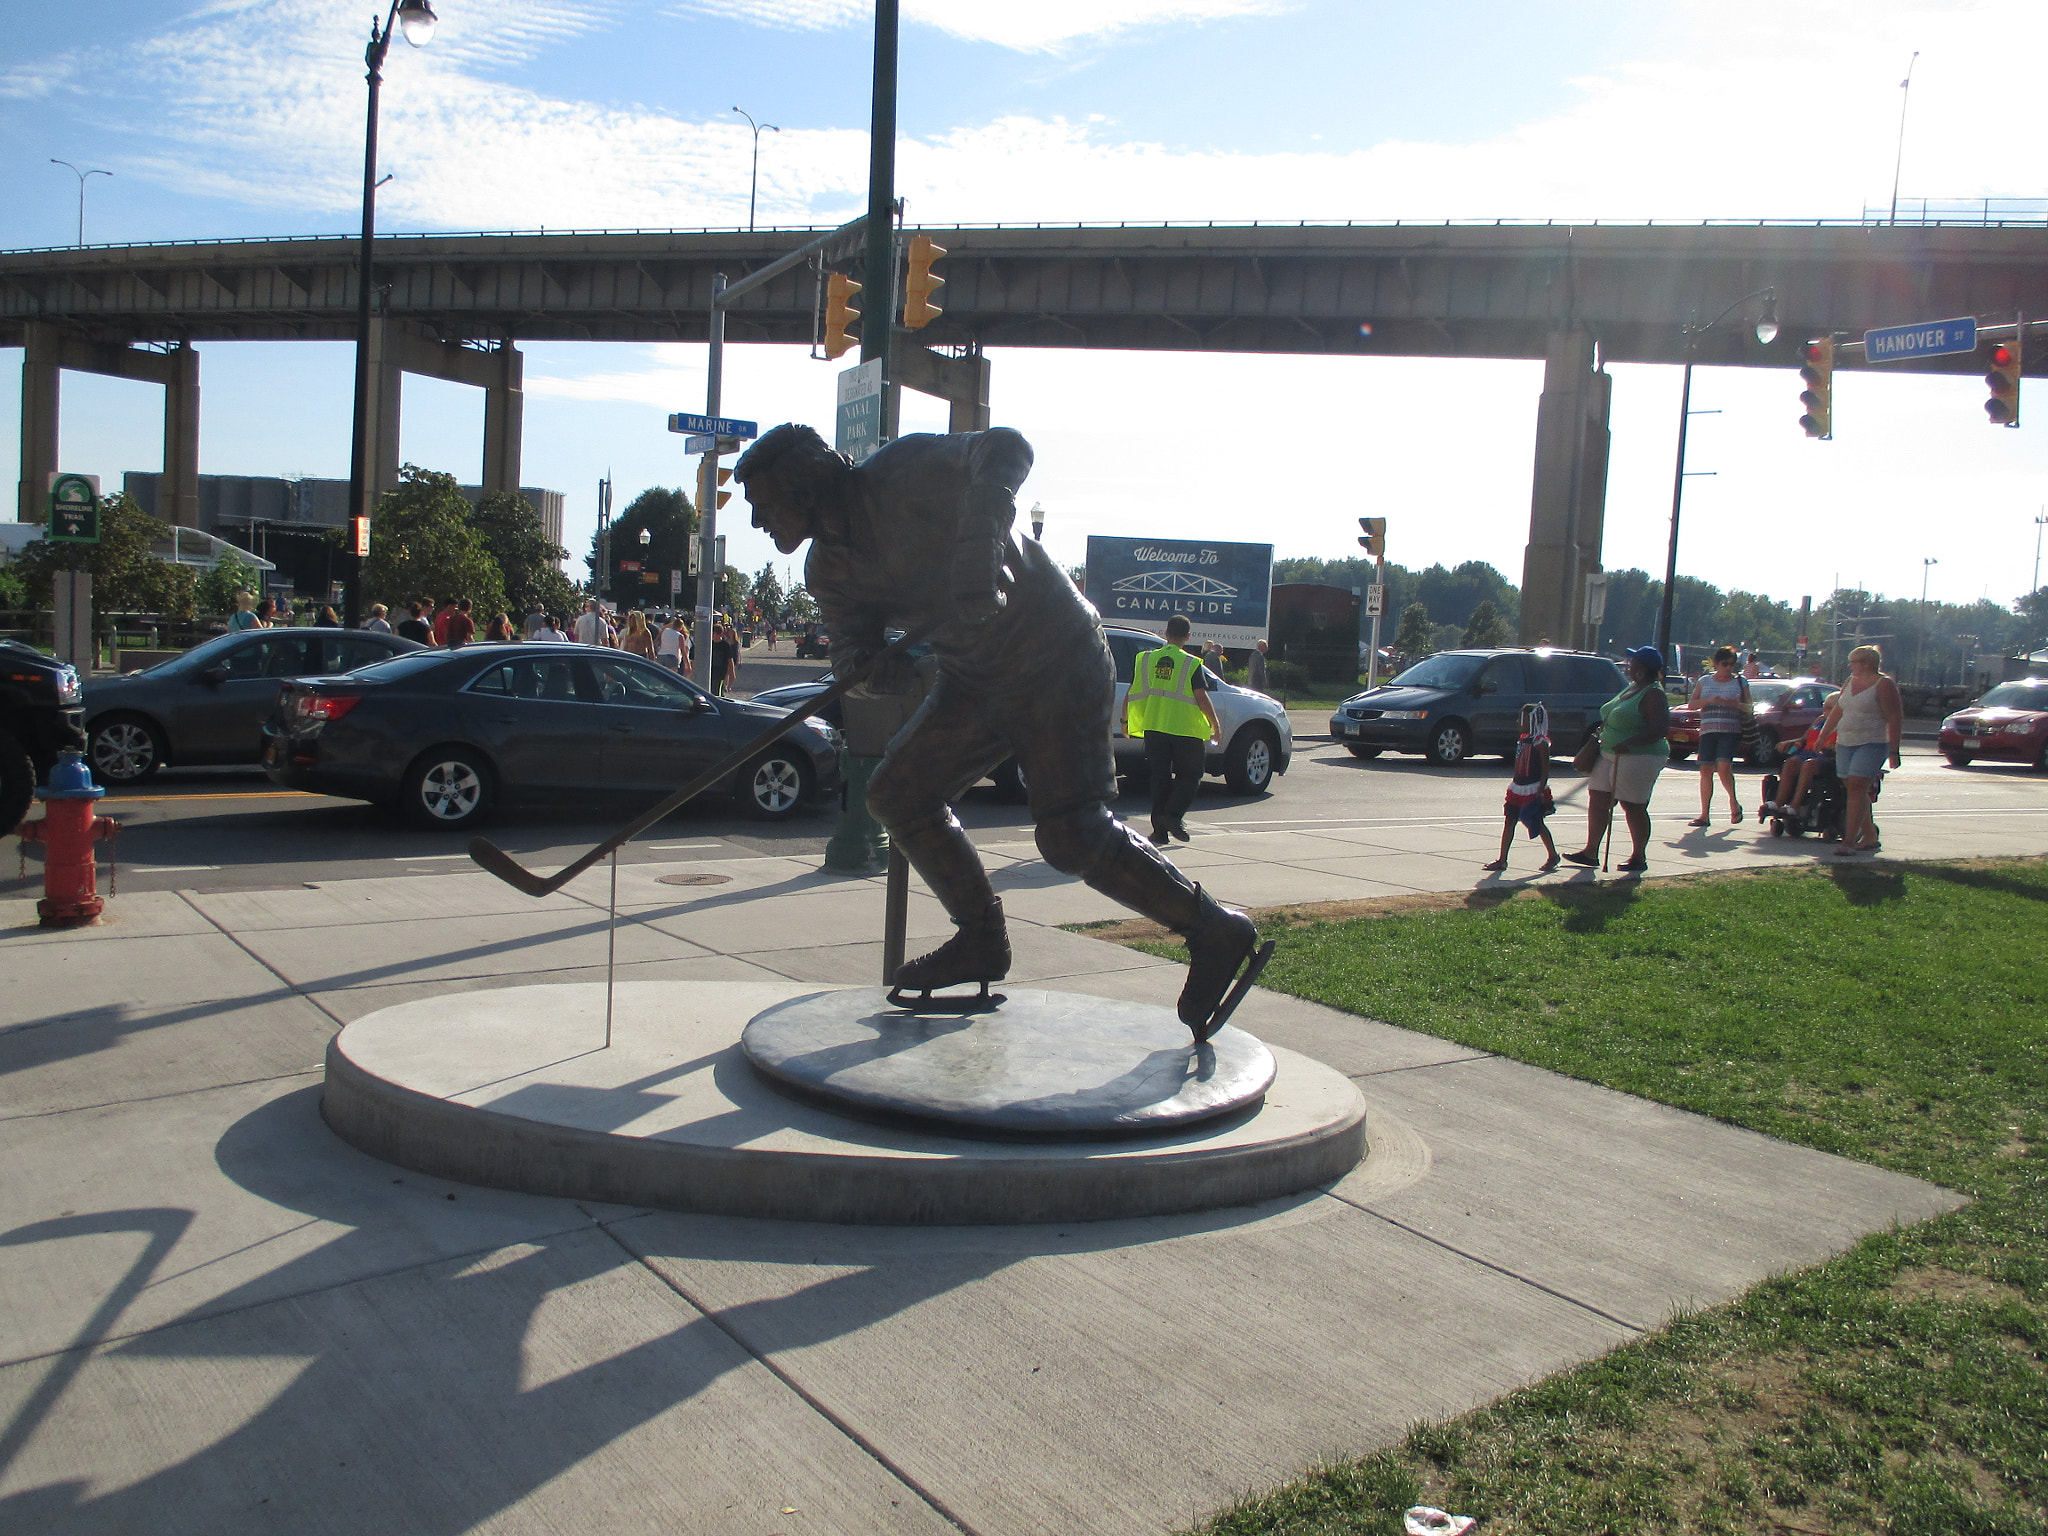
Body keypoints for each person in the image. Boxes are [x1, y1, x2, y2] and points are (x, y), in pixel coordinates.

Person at [733, 421, 1264, 1040]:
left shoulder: (902, 471)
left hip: (1055, 653)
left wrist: (980, 544)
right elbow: (855, 651)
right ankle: (982, 939)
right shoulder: (828, 570)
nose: (757, 525)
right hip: (975, 679)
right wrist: (870, 671)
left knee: (1071, 835)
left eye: (763, 505)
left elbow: (1007, 447)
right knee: (897, 795)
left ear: (802, 485)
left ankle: (1215, 930)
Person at [1561, 645, 1670, 874]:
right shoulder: (1632, 688)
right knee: (1598, 797)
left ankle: (1638, 856)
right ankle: (1590, 852)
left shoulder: (1653, 693)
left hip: (1639, 756)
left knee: (1633, 805)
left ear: (1641, 668)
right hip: (1609, 752)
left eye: (1632, 662)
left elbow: (1659, 729)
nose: (1628, 665)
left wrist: (1631, 742)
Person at [1121, 615, 1220, 846]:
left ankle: (1159, 831)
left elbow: (1132, 692)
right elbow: (1201, 696)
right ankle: (1172, 816)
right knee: (1191, 775)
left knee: (1159, 778)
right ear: (1187, 637)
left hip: (1155, 727)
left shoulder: (1145, 660)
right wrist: (1215, 724)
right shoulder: (1190, 663)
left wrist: (1125, 722)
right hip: (1185, 729)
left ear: (1166, 634)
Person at [1825, 644, 1901, 857]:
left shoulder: (1883, 684)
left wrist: (1894, 750)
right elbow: (1839, 709)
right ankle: (1870, 836)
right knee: (1853, 788)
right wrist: (1823, 735)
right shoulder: (1850, 682)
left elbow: (1895, 717)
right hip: (1846, 741)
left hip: (1873, 742)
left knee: (1858, 785)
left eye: (1854, 662)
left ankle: (1848, 841)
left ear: (1867, 663)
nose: (1850, 666)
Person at [1485, 703, 1559, 873]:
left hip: (1532, 789)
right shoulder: (1523, 739)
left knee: (1536, 822)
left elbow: (1545, 769)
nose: (1518, 722)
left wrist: (1541, 790)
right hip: (1517, 787)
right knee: (1509, 821)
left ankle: (1553, 855)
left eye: (1522, 718)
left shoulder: (1540, 742)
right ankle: (1502, 859)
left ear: (1533, 720)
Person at [1687, 646, 1748, 827]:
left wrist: (1736, 704)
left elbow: (1750, 707)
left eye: (1732, 664)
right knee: (1705, 770)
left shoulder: (1740, 682)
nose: (1728, 668)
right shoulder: (1705, 681)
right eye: (1725, 664)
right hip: (1708, 730)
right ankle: (1704, 814)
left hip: (1730, 730)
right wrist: (1708, 700)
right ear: (1716, 663)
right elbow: (1692, 705)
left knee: (1723, 766)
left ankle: (1733, 801)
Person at [710, 621, 738, 696]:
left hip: (721, 673)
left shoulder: (725, 645)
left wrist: (732, 673)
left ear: (721, 634)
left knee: (718, 693)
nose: (714, 636)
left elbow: (730, 659)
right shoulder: (710, 644)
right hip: (710, 672)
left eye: (717, 634)